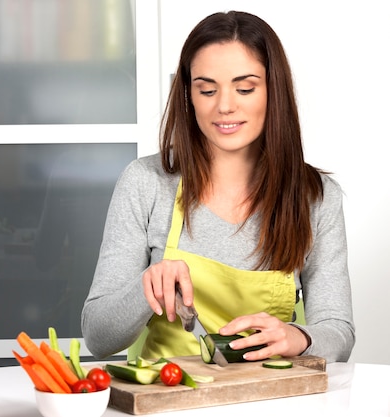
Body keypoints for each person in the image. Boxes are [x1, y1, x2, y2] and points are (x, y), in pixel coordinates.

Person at [81, 11, 355, 363]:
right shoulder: (146, 182)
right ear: (189, 95)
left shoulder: (315, 197)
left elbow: (339, 333)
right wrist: (146, 286)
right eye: (207, 89)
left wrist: (297, 336)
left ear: (274, 91)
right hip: (168, 401)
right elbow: (98, 338)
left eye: (245, 88)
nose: (224, 106)